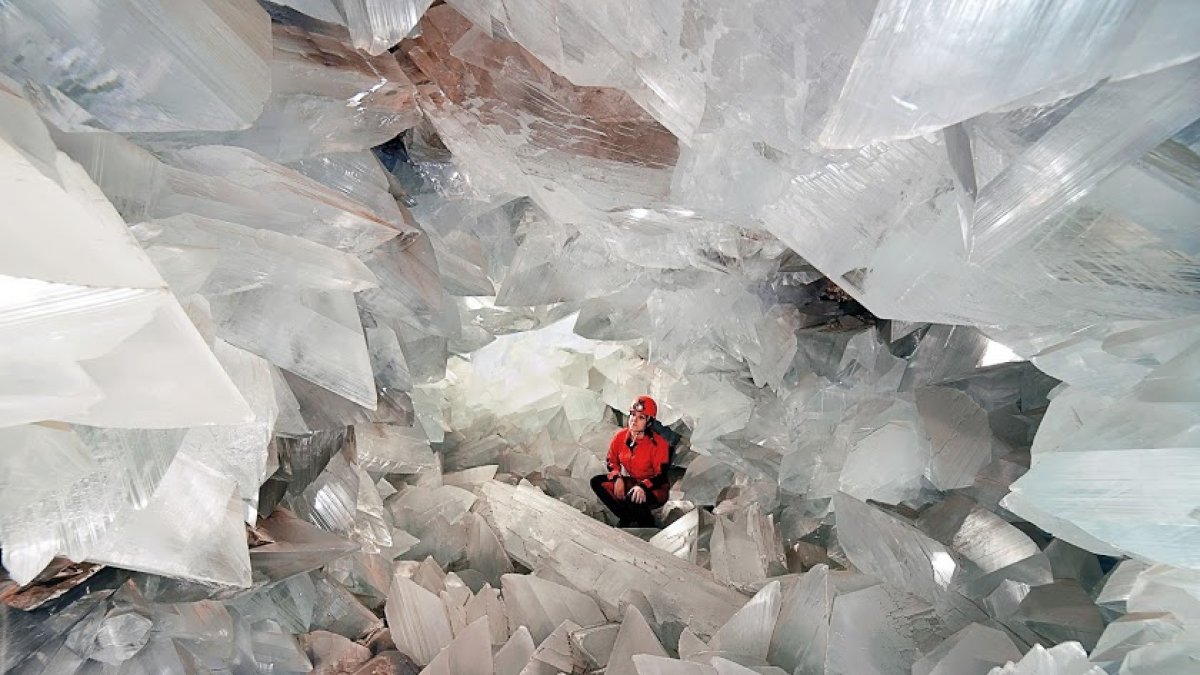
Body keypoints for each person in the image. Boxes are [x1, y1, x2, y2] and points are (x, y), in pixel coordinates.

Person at [590, 395, 671, 528]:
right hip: (633, 482)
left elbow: (661, 476)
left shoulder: (659, 444)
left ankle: (647, 525)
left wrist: (643, 487)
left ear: (649, 422)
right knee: (597, 482)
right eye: (633, 415)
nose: (634, 420)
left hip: (655, 488)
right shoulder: (620, 436)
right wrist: (617, 478)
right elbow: (611, 460)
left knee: (634, 497)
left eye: (641, 417)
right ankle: (626, 516)